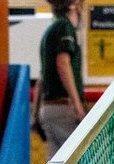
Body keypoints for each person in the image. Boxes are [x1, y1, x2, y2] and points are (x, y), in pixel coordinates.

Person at [39, 0, 86, 155]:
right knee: (78, 161)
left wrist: (35, 113)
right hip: (64, 107)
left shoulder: (50, 30)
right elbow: (63, 63)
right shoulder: (65, 28)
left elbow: (42, 77)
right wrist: (77, 104)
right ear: (73, 6)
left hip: (48, 109)